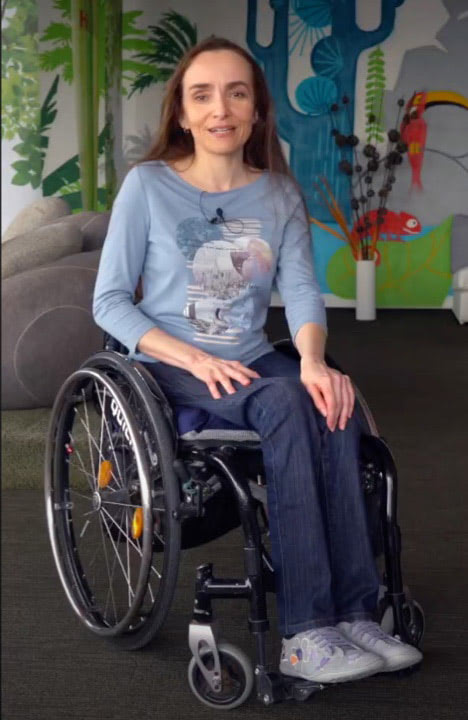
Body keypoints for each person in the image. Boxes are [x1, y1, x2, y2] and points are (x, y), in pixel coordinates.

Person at [93, 36, 422, 684]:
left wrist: (314, 363)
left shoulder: (278, 194)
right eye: (203, 95)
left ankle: (355, 611)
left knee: (330, 400)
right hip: (167, 363)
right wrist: (191, 356)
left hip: (247, 357)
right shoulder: (149, 186)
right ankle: (305, 632)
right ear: (182, 112)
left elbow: (300, 291)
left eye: (236, 93)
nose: (220, 108)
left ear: (256, 109)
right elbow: (108, 302)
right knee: (283, 401)